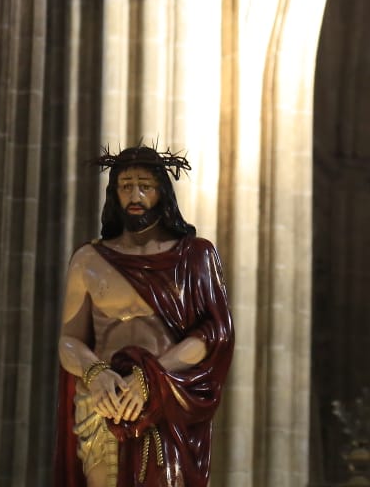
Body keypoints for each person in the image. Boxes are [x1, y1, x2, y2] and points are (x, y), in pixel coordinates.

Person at [54, 145, 234, 487]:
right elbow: (69, 341)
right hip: (104, 401)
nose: (135, 195)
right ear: (114, 193)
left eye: (145, 186)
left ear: (162, 193)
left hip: (164, 396)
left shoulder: (194, 257)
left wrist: (151, 376)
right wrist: (96, 373)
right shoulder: (89, 260)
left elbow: (214, 333)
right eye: (125, 186)